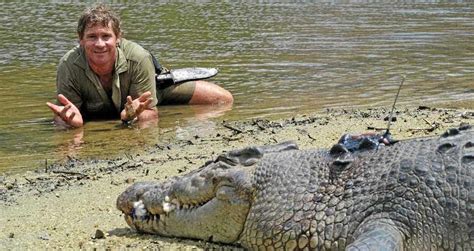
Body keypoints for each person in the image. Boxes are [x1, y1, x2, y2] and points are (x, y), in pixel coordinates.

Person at [46, 4, 233, 128]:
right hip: (96, 107)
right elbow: (66, 115)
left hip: (148, 91)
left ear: (118, 38)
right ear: (80, 40)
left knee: (223, 99)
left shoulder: (138, 57)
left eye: (106, 36)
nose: (100, 44)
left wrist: (134, 117)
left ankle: (163, 87)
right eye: (92, 37)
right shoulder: (68, 65)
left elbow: (149, 115)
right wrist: (71, 125)